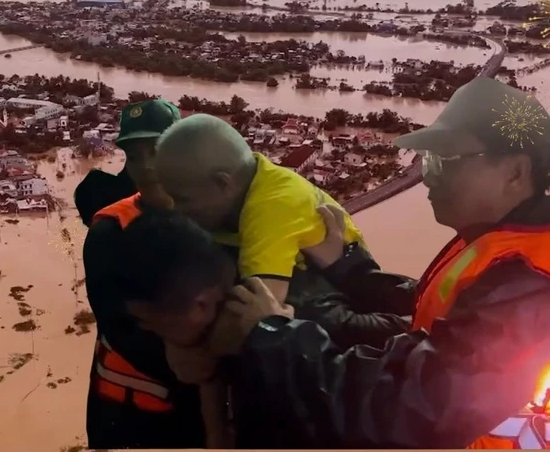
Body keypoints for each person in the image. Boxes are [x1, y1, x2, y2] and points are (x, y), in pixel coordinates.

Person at [206, 77, 550, 449]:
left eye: (444, 162)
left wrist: (273, 335)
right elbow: (435, 312)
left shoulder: (531, 286)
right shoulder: (511, 244)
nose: (426, 177)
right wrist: (347, 268)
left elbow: (411, 408)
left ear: (515, 173)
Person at [118, 208, 420, 448]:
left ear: (200, 306)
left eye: (151, 321)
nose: (149, 332)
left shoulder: (310, 327)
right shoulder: (215, 304)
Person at [82, 98, 210, 450]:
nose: (148, 167)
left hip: (194, 410)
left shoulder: (213, 216)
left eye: (157, 151)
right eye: (135, 157)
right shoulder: (111, 230)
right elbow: (119, 327)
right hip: (128, 416)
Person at [154, 113, 367, 305]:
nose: (177, 209)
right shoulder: (250, 178)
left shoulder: (274, 208)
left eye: (183, 199)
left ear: (223, 183)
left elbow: (259, 313)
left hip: (343, 303)